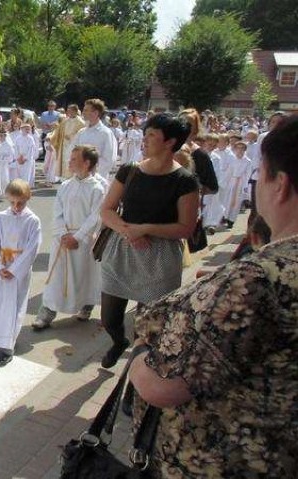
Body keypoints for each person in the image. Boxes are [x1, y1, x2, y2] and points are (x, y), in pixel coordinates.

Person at [127, 114, 298, 479]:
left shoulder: (259, 278)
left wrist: (139, 352)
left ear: (280, 185)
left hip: (235, 459)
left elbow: (165, 385)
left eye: (260, 175)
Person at [98, 113, 199, 369]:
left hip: (160, 257)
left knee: (148, 327)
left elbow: (185, 228)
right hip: (122, 249)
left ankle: (136, 376)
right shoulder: (129, 171)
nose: (144, 139)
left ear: (170, 142)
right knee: (109, 317)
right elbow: (107, 210)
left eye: (152, 135)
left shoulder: (185, 181)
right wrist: (128, 231)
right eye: (145, 134)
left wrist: (146, 229)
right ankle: (118, 342)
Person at [33, 145, 105, 331]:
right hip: (63, 238)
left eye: (74, 159)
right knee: (55, 277)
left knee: (83, 275)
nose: (69, 162)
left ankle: (85, 305)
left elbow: (96, 216)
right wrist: (62, 233)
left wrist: (78, 237)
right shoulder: (66, 185)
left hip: (82, 240)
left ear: (87, 163)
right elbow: (57, 211)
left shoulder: (98, 188)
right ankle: (47, 312)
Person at [0, 179, 41, 365]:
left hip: (18, 270)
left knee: (14, 305)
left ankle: (8, 346)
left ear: (27, 199)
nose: (16, 207)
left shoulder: (32, 221)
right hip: (2, 266)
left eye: (20, 203)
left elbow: (33, 248)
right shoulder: (0, 217)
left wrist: (15, 270)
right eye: (12, 202)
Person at [71, 98, 117, 181]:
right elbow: (72, 151)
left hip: (96, 180)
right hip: (79, 177)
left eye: (86, 110)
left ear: (95, 113)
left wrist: (89, 170)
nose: (83, 112)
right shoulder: (81, 132)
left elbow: (109, 159)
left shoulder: (106, 133)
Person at [222, 141, 253, 229]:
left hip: (240, 182)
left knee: (237, 202)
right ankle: (226, 216)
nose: (240, 151)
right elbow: (229, 171)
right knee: (227, 200)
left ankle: (231, 220)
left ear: (244, 150)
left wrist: (245, 186)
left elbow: (248, 173)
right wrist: (224, 182)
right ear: (235, 149)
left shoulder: (247, 161)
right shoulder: (232, 160)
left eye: (242, 149)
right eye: (238, 148)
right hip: (231, 181)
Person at [54, 104, 86, 179]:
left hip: (74, 145)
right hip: (64, 144)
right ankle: (65, 178)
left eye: (70, 110)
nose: (68, 112)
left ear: (75, 111)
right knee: (65, 161)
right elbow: (59, 131)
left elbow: (82, 134)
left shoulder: (80, 122)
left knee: (73, 160)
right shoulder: (65, 120)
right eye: (68, 110)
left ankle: (73, 177)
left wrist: (71, 137)